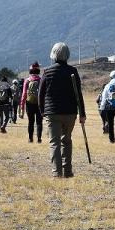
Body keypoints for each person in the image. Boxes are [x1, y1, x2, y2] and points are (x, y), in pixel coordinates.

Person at [38, 42, 86, 177]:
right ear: (67, 55)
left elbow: (41, 93)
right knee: (67, 141)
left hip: (52, 112)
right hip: (70, 112)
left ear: (53, 54)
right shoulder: (73, 71)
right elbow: (78, 94)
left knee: (55, 142)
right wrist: (82, 113)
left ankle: (56, 173)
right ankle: (68, 171)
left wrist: (42, 110)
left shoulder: (47, 71)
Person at [21, 62, 44, 143]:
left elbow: (24, 94)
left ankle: (30, 139)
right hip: (39, 104)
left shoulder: (27, 80)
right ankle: (39, 139)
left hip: (29, 103)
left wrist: (22, 106)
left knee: (31, 122)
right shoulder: (41, 80)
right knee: (39, 122)